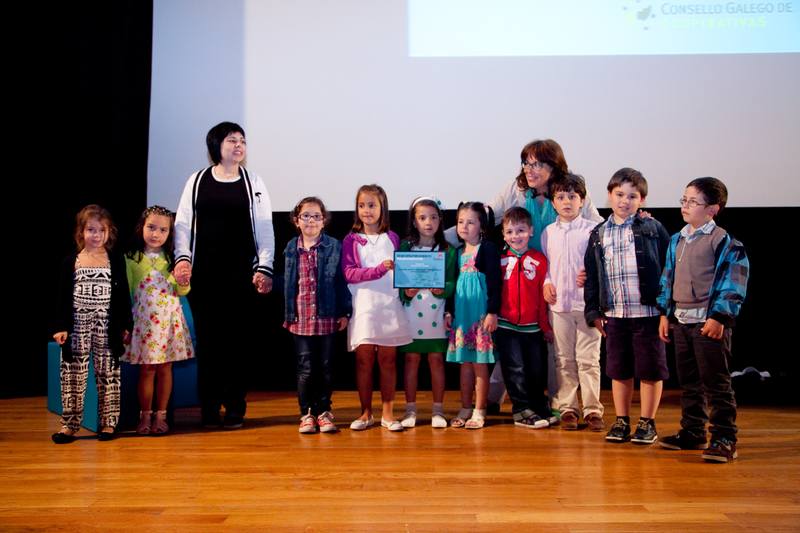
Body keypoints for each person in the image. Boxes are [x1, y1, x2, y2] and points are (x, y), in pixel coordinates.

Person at [447, 140, 602, 413]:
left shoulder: (570, 191)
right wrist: (440, 237)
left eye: (537, 164)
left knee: (554, 346)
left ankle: (558, 403)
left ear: (554, 166)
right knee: (509, 337)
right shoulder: (516, 189)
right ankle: (493, 398)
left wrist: (633, 221)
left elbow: (598, 228)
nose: (529, 170)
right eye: (526, 163)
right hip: (519, 276)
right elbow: (485, 215)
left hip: (558, 278)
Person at [174, 121, 275, 429]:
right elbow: (183, 224)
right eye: (232, 140)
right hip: (205, 277)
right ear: (216, 145)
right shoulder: (197, 180)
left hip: (241, 277)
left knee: (237, 345)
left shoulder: (253, 181)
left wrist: (264, 267)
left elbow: (265, 227)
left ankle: (234, 408)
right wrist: (182, 260)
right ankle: (208, 408)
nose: (238, 145)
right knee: (209, 344)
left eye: (242, 140)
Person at [657, 177, 749, 463]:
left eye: (693, 201)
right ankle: (693, 431)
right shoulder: (677, 239)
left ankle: (724, 437)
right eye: (683, 200)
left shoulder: (723, 241)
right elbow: (668, 278)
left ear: (712, 209)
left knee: (716, 383)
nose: (685, 206)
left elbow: (734, 281)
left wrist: (720, 316)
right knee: (689, 382)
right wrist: (665, 313)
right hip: (681, 320)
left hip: (708, 323)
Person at [584, 168, 670, 445]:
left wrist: (665, 310)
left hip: (647, 314)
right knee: (618, 370)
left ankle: (647, 422)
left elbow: (668, 269)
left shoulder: (653, 228)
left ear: (642, 200)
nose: (625, 201)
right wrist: (594, 311)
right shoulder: (598, 233)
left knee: (650, 370)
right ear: (609, 195)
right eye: (620, 194)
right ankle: (621, 420)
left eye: (632, 196)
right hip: (615, 315)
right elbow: (592, 276)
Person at [52, 205, 132, 443]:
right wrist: (60, 326)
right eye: (91, 230)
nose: (96, 235)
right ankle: (69, 425)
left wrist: (126, 325)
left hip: (107, 326)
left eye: (101, 230)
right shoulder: (71, 261)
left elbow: (123, 296)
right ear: (81, 232)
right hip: (77, 326)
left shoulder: (115, 261)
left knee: (108, 375)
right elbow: (61, 297)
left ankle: (108, 424)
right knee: (72, 376)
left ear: (109, 232)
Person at [342, 184, 412, 432]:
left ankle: (388, 414)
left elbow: (401, 272)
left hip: (389, 306)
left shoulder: (392, 238)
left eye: (372, 205)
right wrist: (379, 270)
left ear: (383, 208)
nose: (366, 210)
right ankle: (365, 413)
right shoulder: (351, 239)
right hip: (364, 307)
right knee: (364, 361)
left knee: (388, 360)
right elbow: (349, 273)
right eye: (362, 205)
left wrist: (408, 287)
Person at [541, 174, 605, 431]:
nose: (566, 202)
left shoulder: (592, 230)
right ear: (553, 203)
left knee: (589, 359)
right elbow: (547, 264)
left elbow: (603, 265)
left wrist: (590, 274)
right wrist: (546, 282)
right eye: (560, 197)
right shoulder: (548, 232)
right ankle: (568, 407)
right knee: (563, 359)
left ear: (582, 200)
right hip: (559, 307)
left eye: (572, 196)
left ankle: (592, 409)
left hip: (587, 306)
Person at [123, 206, 193, 436]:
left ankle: (161, 416)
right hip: (144, 323)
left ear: (170, 233)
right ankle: (145, 415)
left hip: (168, 321)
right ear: (141, 227)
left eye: (163, 230)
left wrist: (183, 280)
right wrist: (125, 324)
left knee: (165, 368)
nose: (156, 234)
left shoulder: (173, 259)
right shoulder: (131, 258)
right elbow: (127, 292)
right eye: (151, 227)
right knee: (147, 370)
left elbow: (182, 291)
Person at [283, 197, 351, 434]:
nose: (311, 221)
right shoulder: (291, 247)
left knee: (325, 367)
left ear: (324, 221)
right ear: (296, 220)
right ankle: (306, 414)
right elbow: (288, 282)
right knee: (305, 368)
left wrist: (345, 311)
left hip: (326, 317)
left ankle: (324, 411)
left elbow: (341, 281)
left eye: (316, 216)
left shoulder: (334, 246)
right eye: (305, 216)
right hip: (300, 318)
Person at [398, 196, 456, 428]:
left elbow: (452, 282)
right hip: (411, 314)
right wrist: (406, 292)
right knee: (411, 360)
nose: (428, 222)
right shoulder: (405, 248)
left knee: (436, 360)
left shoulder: (447, 250)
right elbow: (399, 284)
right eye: (422, 218)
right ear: (414, 221)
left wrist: (444, 290)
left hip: (436, 314)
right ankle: (410, 410)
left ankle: (438, 410)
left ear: (440, 220)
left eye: (433, 217)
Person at [495, 207, 554, 428]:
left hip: (532, 327)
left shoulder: (539, 260)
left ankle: (538, 405)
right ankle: (521, 410)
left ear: (531, 231)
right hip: (506, 326)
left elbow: (541, 298)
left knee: (536, 369)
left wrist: (545, 327)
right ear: (503, 234)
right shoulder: (500, 260)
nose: (515, 236)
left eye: (520, 230)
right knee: (515, 369)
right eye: (509, 232)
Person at [446, 202, 501, 430]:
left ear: (482, 226)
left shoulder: (487, 249)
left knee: (479, 363)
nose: (464, 226)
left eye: (470, 222)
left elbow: (495, 283)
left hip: (480, 316)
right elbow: (452, 285)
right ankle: (465, 407)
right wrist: (449, 311)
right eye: (460, 221)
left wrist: (492, 312)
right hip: (462, 316)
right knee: (465, 364)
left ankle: (479, 410)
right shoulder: (457, 252)